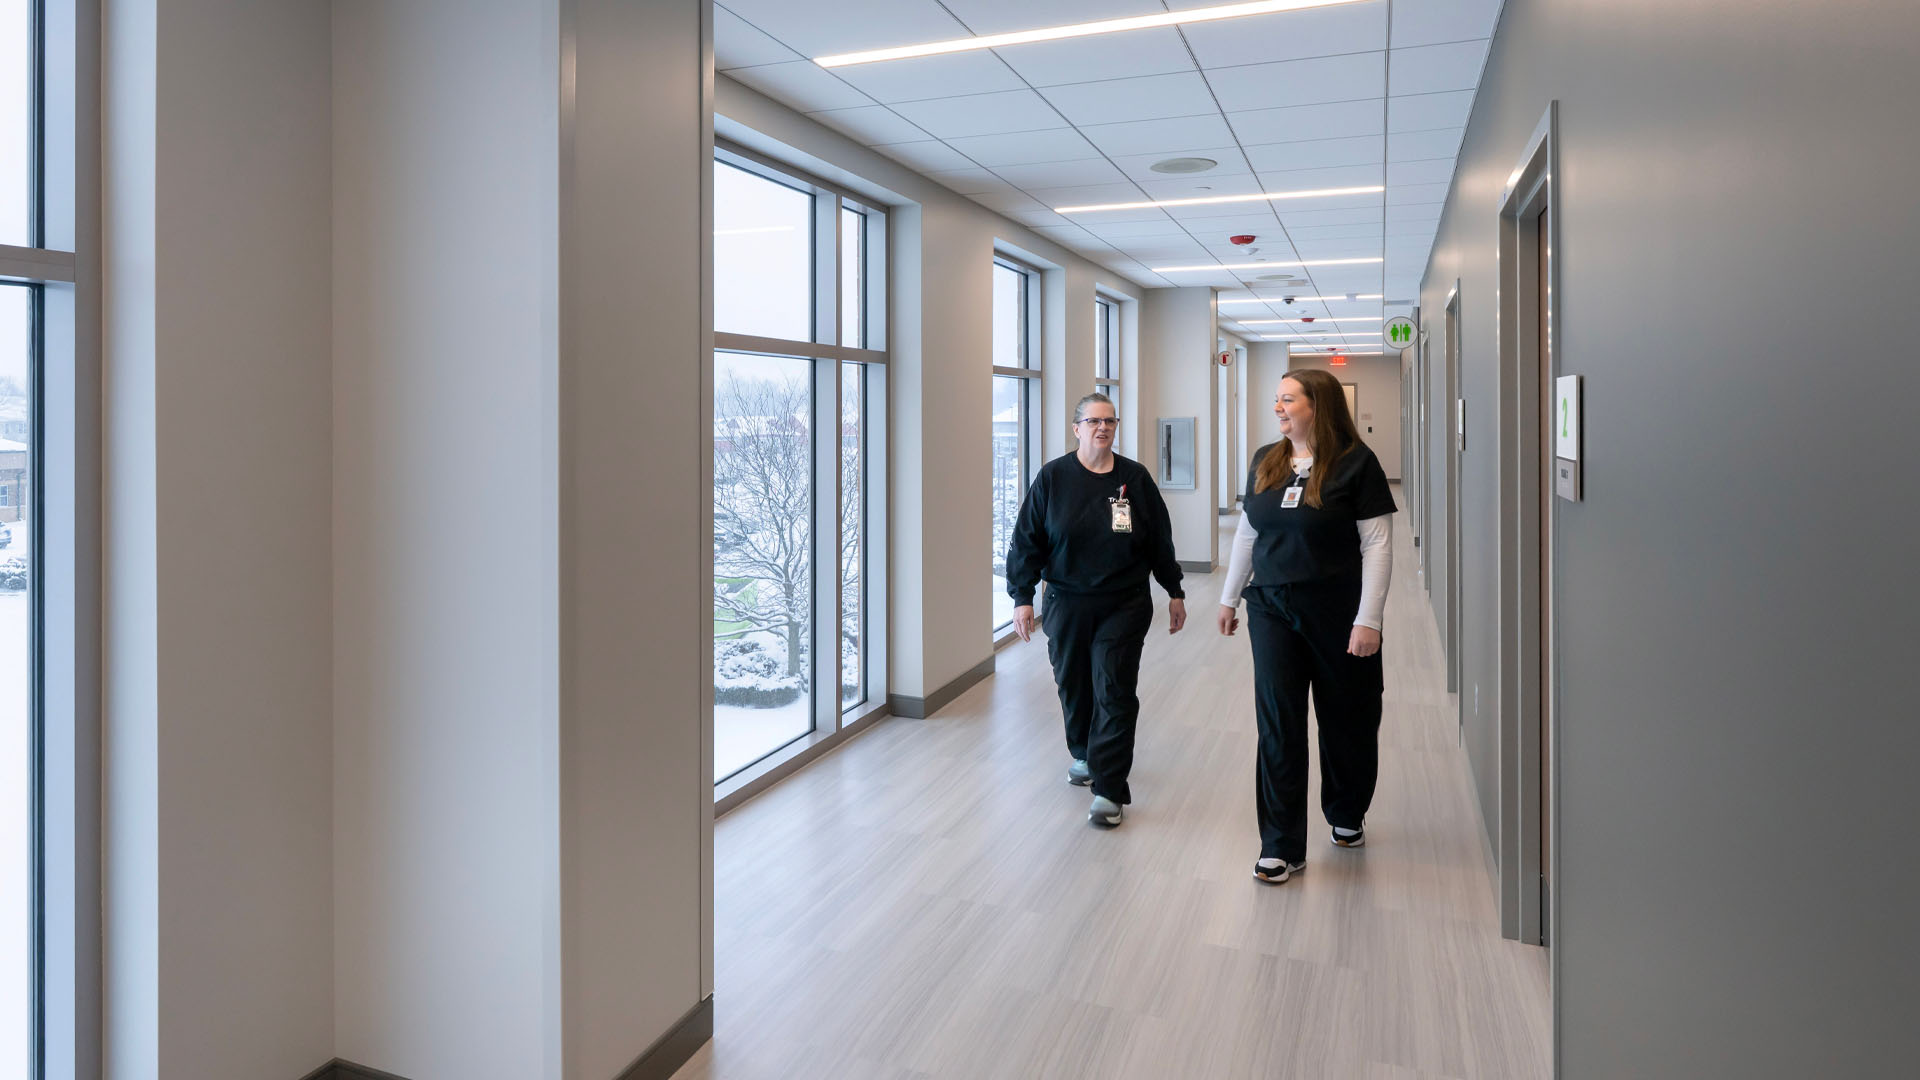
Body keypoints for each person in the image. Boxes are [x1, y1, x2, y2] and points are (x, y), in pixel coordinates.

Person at [1216, 368, 1396, 884]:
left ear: (1317, 404)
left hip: (1338, 610)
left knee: (1347, 720)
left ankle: (1345, 812)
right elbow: (1249, 534)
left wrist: (1369, 619)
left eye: (1288, 399)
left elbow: (1377, 546)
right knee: (1279, 722)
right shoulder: (1266, 461)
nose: (1278, 408)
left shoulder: (1356, 464)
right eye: (1276, 399)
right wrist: (1230, 597)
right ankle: (1280, 842)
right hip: (1271, 608)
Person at [1006, 393, 1186, 827]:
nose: (1102, 428)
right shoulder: (1052, 478)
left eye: (1109, 421)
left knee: (1114, 688)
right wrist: (1023, 597)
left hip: (1123, 602)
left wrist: (1174, 589)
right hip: (1066, 601)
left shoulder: (1134, 479)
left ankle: (1109, 788)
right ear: (1076, 429)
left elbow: (1158, 539)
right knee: (1073, 684)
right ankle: (1085, 752)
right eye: (1093, 421)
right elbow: (1027, 540)